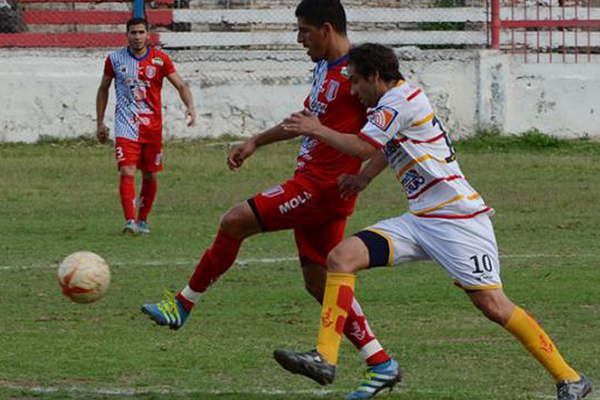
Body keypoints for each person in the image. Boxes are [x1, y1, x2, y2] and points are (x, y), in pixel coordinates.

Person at [273, 43, 592, 400]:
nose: (352, 90)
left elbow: (363, 145)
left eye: (356, 82)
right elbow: (383, 147)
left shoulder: (398, 101)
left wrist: (315, 128)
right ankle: (325, 358)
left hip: (458, 220)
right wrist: (363, 179)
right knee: (341, 258)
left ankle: (570, 378)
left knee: (493, 305)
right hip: (420, 220)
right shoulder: (391, 103)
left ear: (376, 77)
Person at [141, 2, 401, 398]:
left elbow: (395, 123)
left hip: (320, 188)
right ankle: (380, 362)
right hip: (317, 185)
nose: (299, 40)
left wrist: (364, 174)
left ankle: (183, 304)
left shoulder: (360, 72)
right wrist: (256, 141)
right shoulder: (325, 71)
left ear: (326, 29)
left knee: (233, 221)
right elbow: (306, 119)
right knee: (321, 283)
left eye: (304, 31)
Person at [96, 17, 197, 234]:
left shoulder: (161, 59)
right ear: (127, 35)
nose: (137, 37)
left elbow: (180, 84)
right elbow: (103, 89)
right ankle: (130, 221)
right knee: (127, 170)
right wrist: (100, 122)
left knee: (150, 175)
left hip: (152, 127)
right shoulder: (114, 59)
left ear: (148, 34)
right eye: (133, 33)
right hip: (126, 125)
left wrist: (190, 106)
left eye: (141, 32)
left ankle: (142, 220)